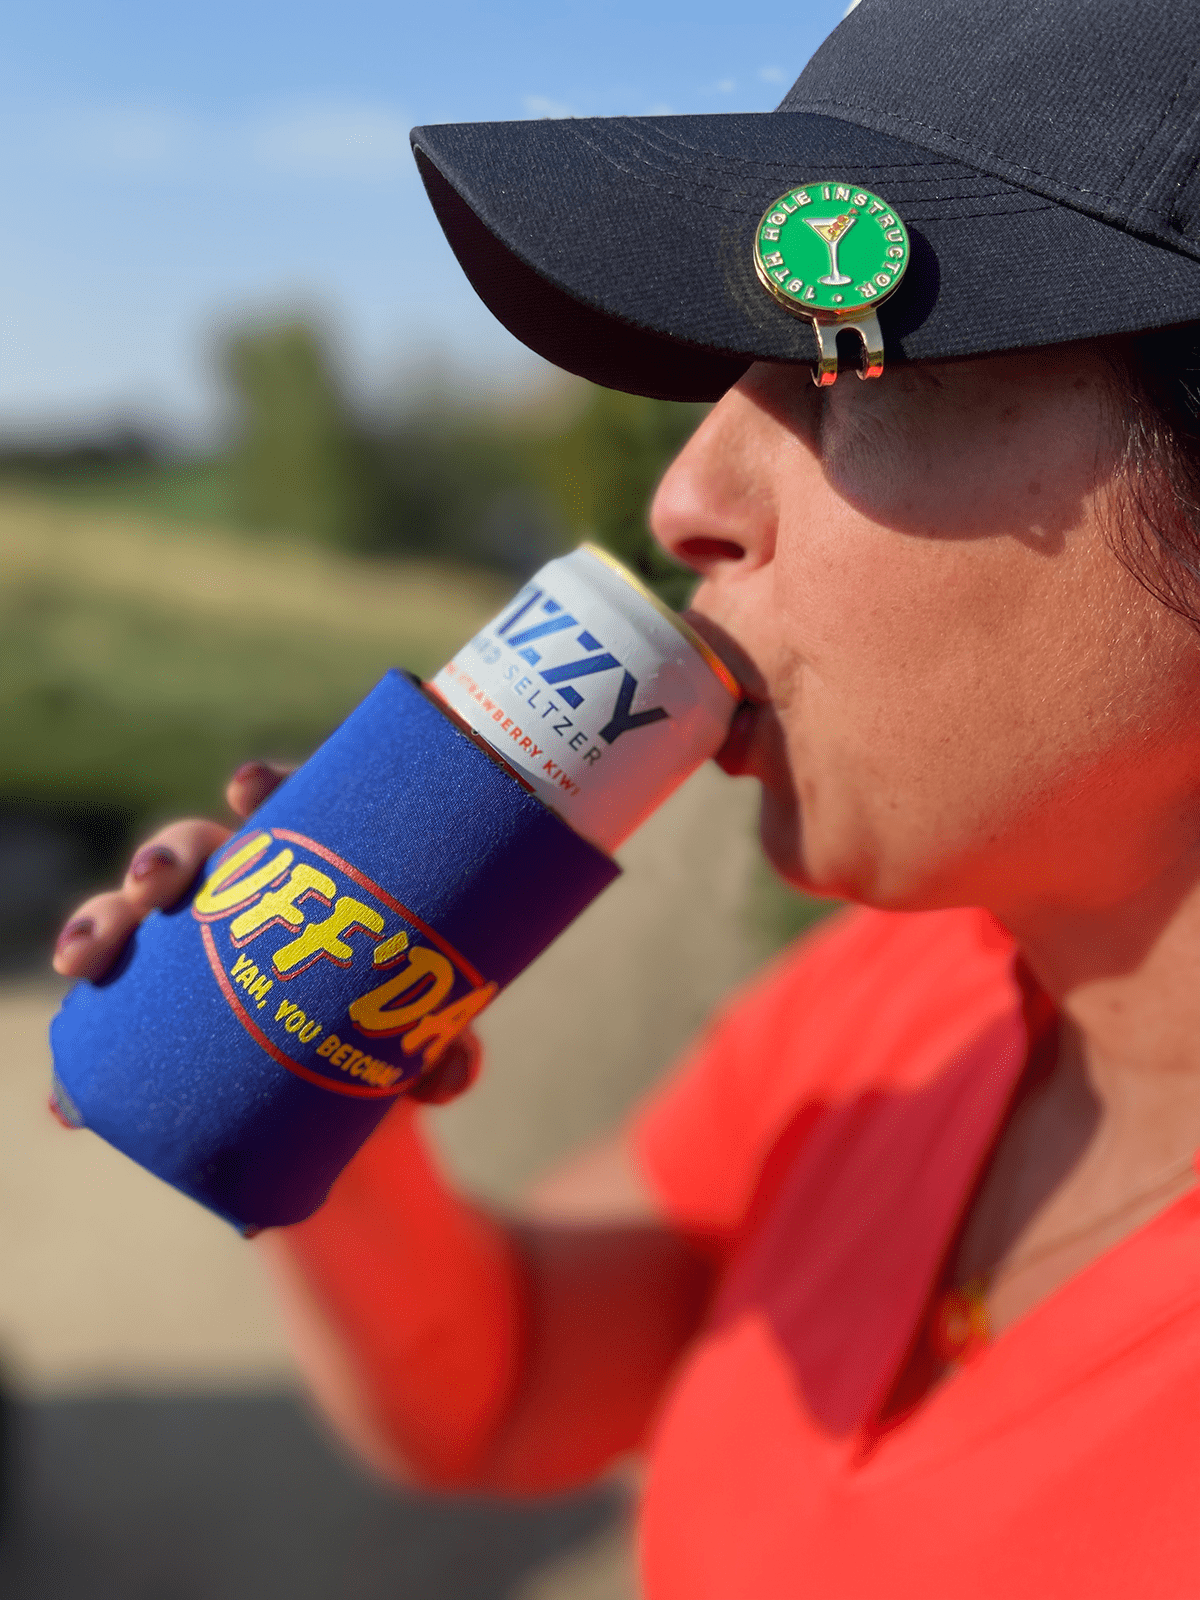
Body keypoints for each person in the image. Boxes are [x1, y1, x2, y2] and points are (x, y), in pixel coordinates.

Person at [52, 0, 1200, 1591]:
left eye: (861, 376)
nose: (688, 497)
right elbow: (507, 1386)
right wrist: (309, 1067)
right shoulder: (901, 1008)